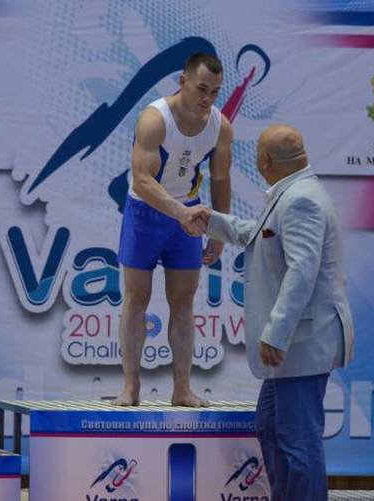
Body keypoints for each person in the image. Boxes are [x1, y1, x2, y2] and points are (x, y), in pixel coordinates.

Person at [187, 124, 353, 500]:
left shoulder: (300, 200)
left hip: (300, 342)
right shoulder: (294, 193)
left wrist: (276, 332)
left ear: (264, 161)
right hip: (296, 343)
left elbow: (302, 271)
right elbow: (262, 233)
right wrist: (213, 221)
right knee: (271, 428)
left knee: (298, 442)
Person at [113, 52, 233, 407]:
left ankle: (182, 389)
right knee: (136, 298)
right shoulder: (154, 120)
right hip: (146, 213)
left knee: (183, 302)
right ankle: (130, 386)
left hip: (188, 216)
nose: (207, 99)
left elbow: (221, 179)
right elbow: (142, 179)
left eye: (215, 92)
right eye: (201, 89)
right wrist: (180, 212)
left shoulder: (220, 127)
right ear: (183, 81)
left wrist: (220, 230)